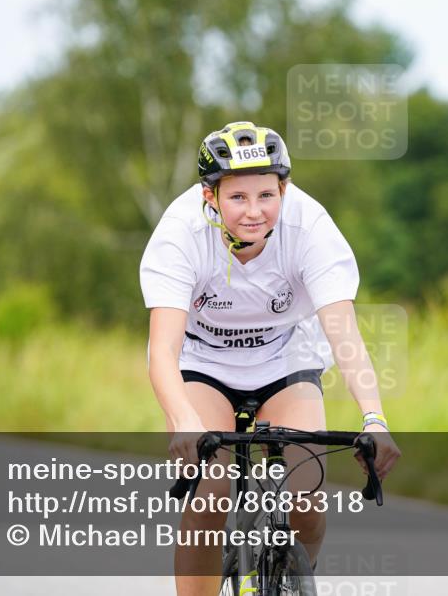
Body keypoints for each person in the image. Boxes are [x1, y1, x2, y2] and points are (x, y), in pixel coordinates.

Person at [139, 121, 400, 596]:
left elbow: (344, 335)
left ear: (285, 189)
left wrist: (375, 419)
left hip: (286, 358)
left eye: (267, 195)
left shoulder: (311, 228)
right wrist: (183, 421)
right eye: (238, 198)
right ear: (210, 196)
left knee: (306, 496)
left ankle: (289, 580)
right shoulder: (180, 233)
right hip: (205, 363)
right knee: (211, 490)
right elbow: (162, 350)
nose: (255, 212)